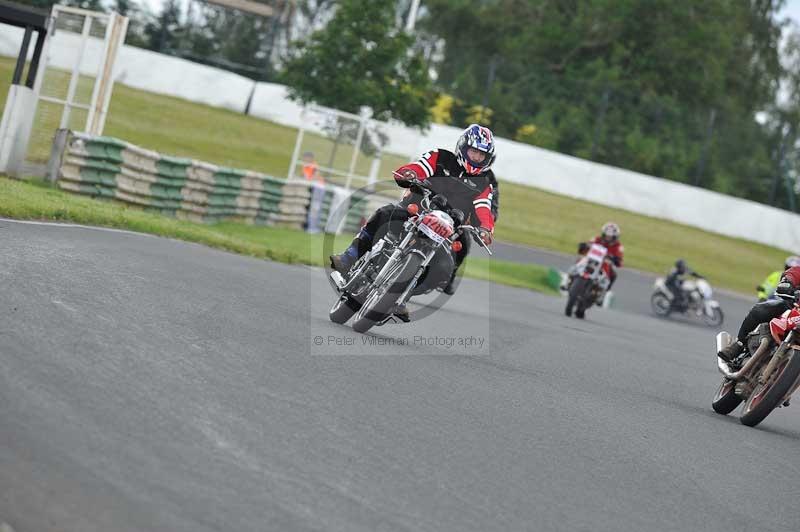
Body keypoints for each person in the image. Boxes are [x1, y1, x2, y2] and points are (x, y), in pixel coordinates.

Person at [330, 124, 498, 320]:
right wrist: (410, 173)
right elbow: (420, 166)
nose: (477, 157)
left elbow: (484, 209)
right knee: (384, 214)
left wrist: (486, 229)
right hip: (415, 211)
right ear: (463, 147)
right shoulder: (440, 157)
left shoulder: (484, 185)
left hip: (446, 230)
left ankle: (400, 297)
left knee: (443, 267)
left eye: (481, 155)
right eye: (474, 152)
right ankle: (349, 257)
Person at [719, 265, 800, 362]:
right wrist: (788, 281)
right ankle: (739, 344)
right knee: (761, 310)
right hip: (795, 308)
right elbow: (795, 273)